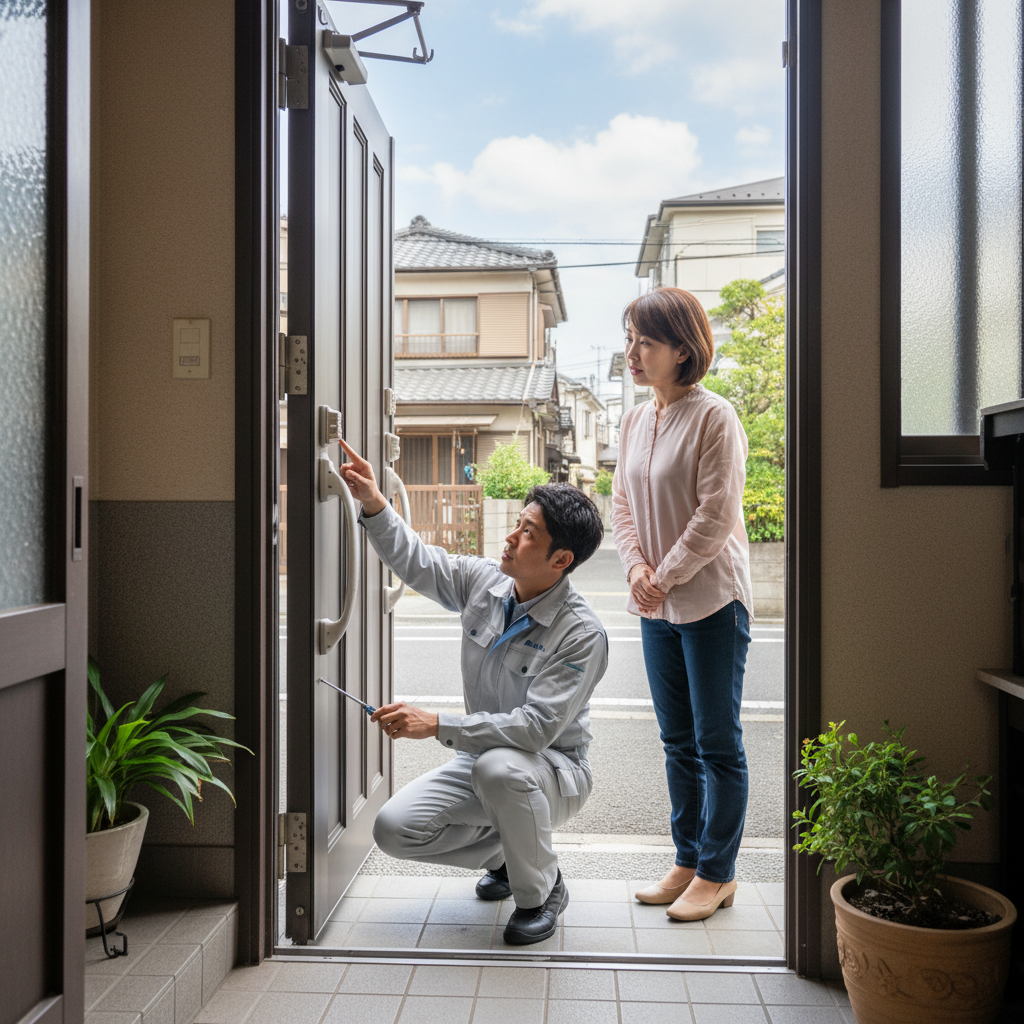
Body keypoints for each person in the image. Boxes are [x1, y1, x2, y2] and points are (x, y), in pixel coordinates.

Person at [337, 438, 608, 945]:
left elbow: (534, 731)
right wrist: (374, 503)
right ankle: (518, 858)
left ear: (561, 558)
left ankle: (540, 891)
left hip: (551, 768)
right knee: (394, 829)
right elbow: (417, 561)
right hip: (482, 759)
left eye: (528, 532)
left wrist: (437, 724)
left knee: (500, 767)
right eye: (518, 523)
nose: (510, 537)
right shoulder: (484, 583)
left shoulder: (581, 634)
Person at [611, 287, 753, 923]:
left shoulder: (715, 416)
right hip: (657, 603)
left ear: (682, 349)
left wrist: (662, 575)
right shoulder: (637, 419)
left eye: (645, 340)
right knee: (676, 741)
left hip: (712, 599)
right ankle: (688, 858)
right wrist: (639, 570)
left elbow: (716, 515)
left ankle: (718, 873)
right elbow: (620, 504)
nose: (633, 352)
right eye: (631, 338)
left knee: (716, 741)